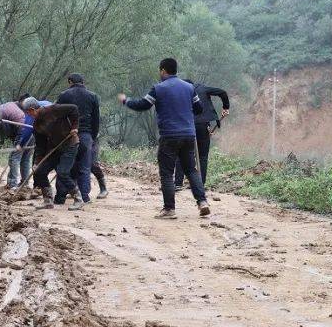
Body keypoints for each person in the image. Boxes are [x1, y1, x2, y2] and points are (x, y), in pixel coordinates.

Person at [118, 58, 210, 219]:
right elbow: (199, 109)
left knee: (167, 173)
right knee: (191, 170)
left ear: (163, 70)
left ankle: (169, 209)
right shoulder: (189, 87)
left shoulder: (158, 88)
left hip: (169, 136)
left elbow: (143, 105)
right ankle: (202, 202)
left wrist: (126, 101)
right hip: (188, 135)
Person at [22, 97, 80, 210]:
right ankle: (48, 201)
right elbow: (40, 146)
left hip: (69, 144)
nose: (28, 115)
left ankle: (78, 198)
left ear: (33, 109)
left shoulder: (53, 110)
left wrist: (74, 127)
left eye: (28, 112)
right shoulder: (37, 125)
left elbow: (74, 109)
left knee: (62, 172)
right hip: (55, 148)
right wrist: (37, 162)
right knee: (39, 171)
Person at [174, 80, 230, 189]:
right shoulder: (202, 88)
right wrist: (226, 107)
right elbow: (222, 92)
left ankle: (178, 183)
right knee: (202, 156)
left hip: (186, 126)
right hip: (202, 126)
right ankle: (200, 184)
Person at [56, 73, 100, 207]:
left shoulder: (64, 95)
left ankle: (60, 197)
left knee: (65, 166)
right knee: (84, 167)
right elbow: (96, 120)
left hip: (69, 135)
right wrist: (92, 136)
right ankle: (85, 196)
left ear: (70, 82)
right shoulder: (92, 96)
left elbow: (58, 117)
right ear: (83, 81)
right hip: (86, 135)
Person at [0, 99, 33, 188]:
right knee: (25, 159)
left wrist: (19, 143)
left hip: (24, 131)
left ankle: (12, 185)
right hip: (32, 129)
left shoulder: (0, 114)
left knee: (13, 158)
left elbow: (6, 131)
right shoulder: (8, 105)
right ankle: (25, 184)